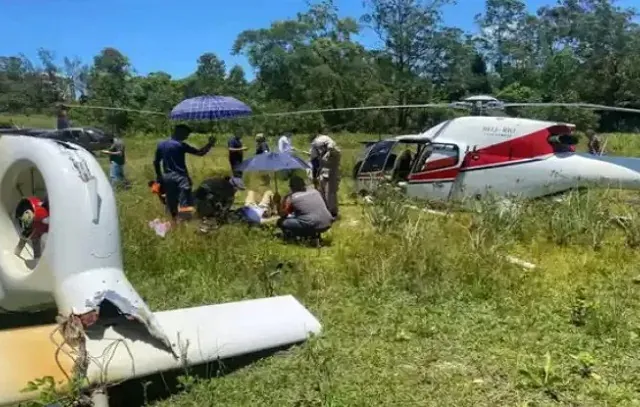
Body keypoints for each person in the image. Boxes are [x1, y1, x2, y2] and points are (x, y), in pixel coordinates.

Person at [153, 124, 216, 222]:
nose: (186, 137)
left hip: (167, 178)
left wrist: (159, 176)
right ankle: (184, 225)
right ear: (180, 133)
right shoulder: (180, 145)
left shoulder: (161, 144)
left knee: (171, 202)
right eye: (186, 134)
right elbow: (200, 153)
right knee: (185, 204)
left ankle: (172, 223)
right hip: (181, 178)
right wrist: (210, 144)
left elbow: (156, 162)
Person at [277, 175, 334, 239]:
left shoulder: (294, 198)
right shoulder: (315, 191)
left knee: (281, 222)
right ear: (304, 185)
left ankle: (293, 236)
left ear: (292, 188)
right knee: (305, 216)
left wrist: (281, 201)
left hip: (312, 224)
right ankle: (314, 236)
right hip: (327, 222)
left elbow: (282, 214)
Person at [310, 133, 341, 218]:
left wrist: (314, 177)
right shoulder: (319, 148)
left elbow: (315, 163)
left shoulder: (333, 152)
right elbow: (315, 162)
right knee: (325, 194)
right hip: (324, 174)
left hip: (330, 174)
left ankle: (332, 214)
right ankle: (327, 212)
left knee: (330, 194)